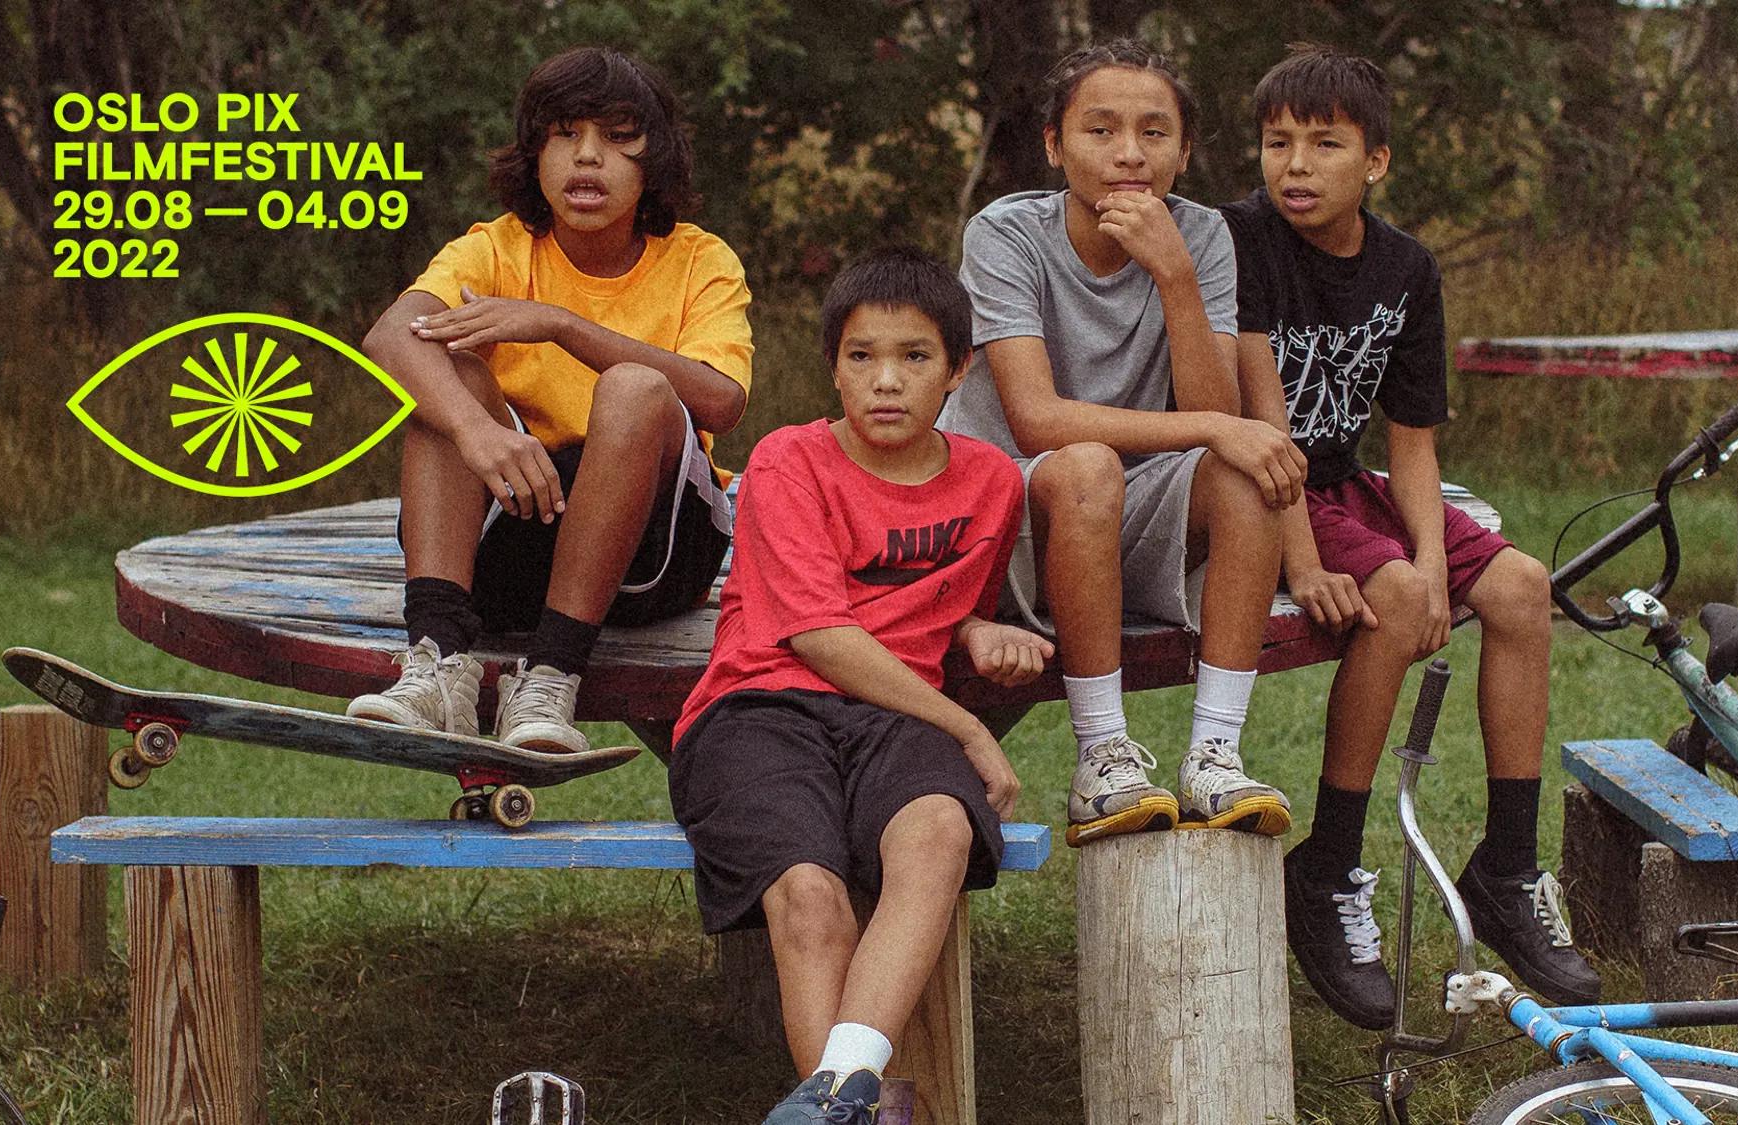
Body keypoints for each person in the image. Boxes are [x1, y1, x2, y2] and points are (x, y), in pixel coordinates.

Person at [1218, 44, 1601, 1028]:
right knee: (1387, 597)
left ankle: (1507, 867)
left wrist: (1437, 565)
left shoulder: (1403, 269)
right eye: (1276, 143)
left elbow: (1413, 440)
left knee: (1517, 586)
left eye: (1322, 144)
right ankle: (1330, 867)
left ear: (1374, 161)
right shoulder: (1239, 241)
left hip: (1353, 483)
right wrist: (1325, 567)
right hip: (1258, 486)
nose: (1293, 165)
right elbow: (1260, 427)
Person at [670, 248, 1051, 1124]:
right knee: (810, 897)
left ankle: (840, 1095)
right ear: (833, 366)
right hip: (758, 706)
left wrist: (977, 628)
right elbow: (821, 633)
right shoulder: (787, 459)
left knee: (939, 831)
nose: (887, 381)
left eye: (915, 357)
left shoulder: (992, 481)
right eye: (861, 356)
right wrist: (971, 727)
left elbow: (940, 606)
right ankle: (870, 1106)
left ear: (958, 369)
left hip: (891, 715)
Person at [941, 39, 1306, 847]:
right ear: (1054, 144)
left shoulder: (1202, 238)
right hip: (1004, 520)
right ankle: (1102, 754)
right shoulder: (1006, 235)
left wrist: (1174, 275)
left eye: (1153, 132)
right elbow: (1035, 419)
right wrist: (1215, 425)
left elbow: (1217, 411)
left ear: (1185, 150)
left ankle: (1215, 750)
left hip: (1125, 514)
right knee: (1086, 464)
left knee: (1244, 474)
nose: (1128, 155)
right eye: (1100, 130)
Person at [349, 47, 752, 753]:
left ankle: (552, 675)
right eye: (565, 134)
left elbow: (722, 400)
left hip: (653, 556)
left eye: (616, 136)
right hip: (522, 524)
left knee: (634, 388)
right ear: (534, 153)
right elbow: (389, 336)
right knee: (447, 376)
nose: (587, 157)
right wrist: (476, 431)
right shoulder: (497, 247)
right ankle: (437, 663)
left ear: (653, 158)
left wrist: (561, 325)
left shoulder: (699, 259)